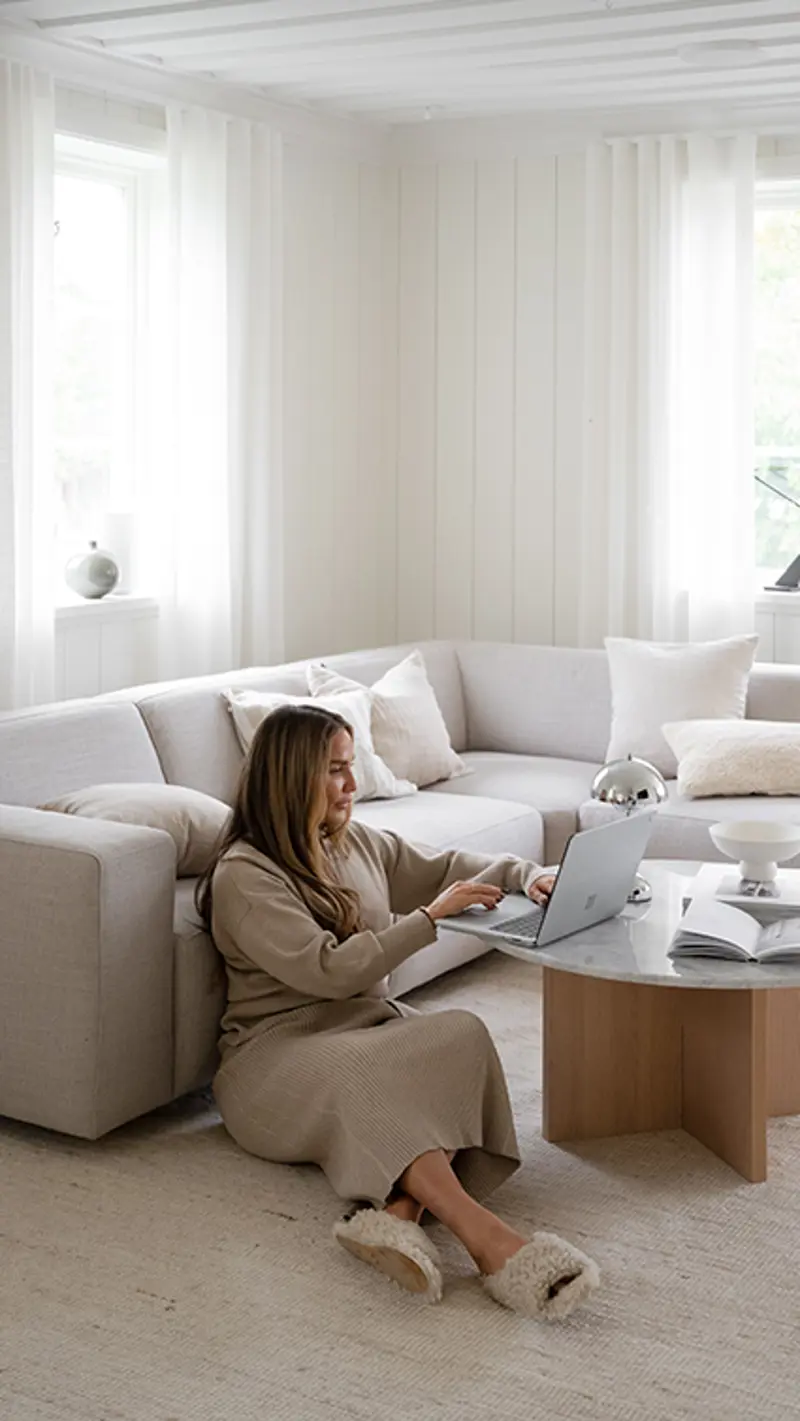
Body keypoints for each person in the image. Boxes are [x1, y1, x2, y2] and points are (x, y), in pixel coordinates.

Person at [197, 703, 600, 1321]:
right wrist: (430, 919)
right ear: (290, 776)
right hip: (269, 1059)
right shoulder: (244, 877)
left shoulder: (351, 840)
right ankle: (490, 1242)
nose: (352, 785)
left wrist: (526, 875)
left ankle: (396, 1215)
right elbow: (328, 970)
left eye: (350, 767)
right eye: (335, 771)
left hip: (361, 1029)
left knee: (461, 1034)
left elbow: (443, 868)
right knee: (372, 1075)